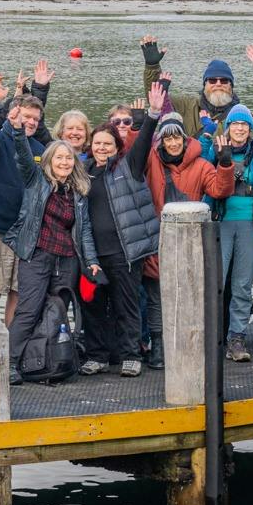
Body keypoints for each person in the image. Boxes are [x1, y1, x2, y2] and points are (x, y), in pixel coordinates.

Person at [78, 80, 163, 376]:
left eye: (108, 144)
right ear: (91, 145)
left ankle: (130, 355)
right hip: (91, 254)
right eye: (98, 143)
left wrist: (152, 113)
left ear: (117, 147)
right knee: (93, 306)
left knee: (126, 306)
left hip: (124, 252)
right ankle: (97, 355)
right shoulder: (82, 173)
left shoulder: (128, 167)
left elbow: (142, 142)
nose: (102, 148)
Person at [142, 107, 236, 367]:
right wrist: (142, 123)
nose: (173, 143)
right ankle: (158, 347)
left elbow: (220, 190)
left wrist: (225, 164)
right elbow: (133, 152)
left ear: (185, 139)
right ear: (161, 140)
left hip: (188, 242)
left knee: (189, 295)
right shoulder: (151, 160)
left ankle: (188, 346)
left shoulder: (201, 164)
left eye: (177, 138)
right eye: (167, 138)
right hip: (157, 239)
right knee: (156, 298)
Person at [0, 58, 53, 326]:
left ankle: (12, 352)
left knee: (19, 292)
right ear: (14, 114)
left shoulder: (40, 151)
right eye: (26, 116)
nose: (30, 122)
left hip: (26, 232)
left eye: (35, 119)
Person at [10, 139, 102, 383]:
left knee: (58, 311)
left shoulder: (79, 192)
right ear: (49, 161)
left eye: (69, 158)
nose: (64, 162)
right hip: (38, 255)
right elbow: (22, 157)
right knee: (29, 310)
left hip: (68, 259)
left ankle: (48, 361)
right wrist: (18, 132)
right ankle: (9, 361)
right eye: (59, 157)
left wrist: (91, 259)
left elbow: (84, 231)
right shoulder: (36, 182)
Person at [202, 104, 253, 362]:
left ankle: (237, 338)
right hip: (221, 223)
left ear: (250, 129)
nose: (239, 129)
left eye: (244, 125)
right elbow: (199, 166)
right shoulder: (214, 151)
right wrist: (209, 136)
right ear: (228, 127)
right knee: (216, 283)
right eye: (235, 124)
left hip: (250, 225)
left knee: (242, 285)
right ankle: (212, 337)